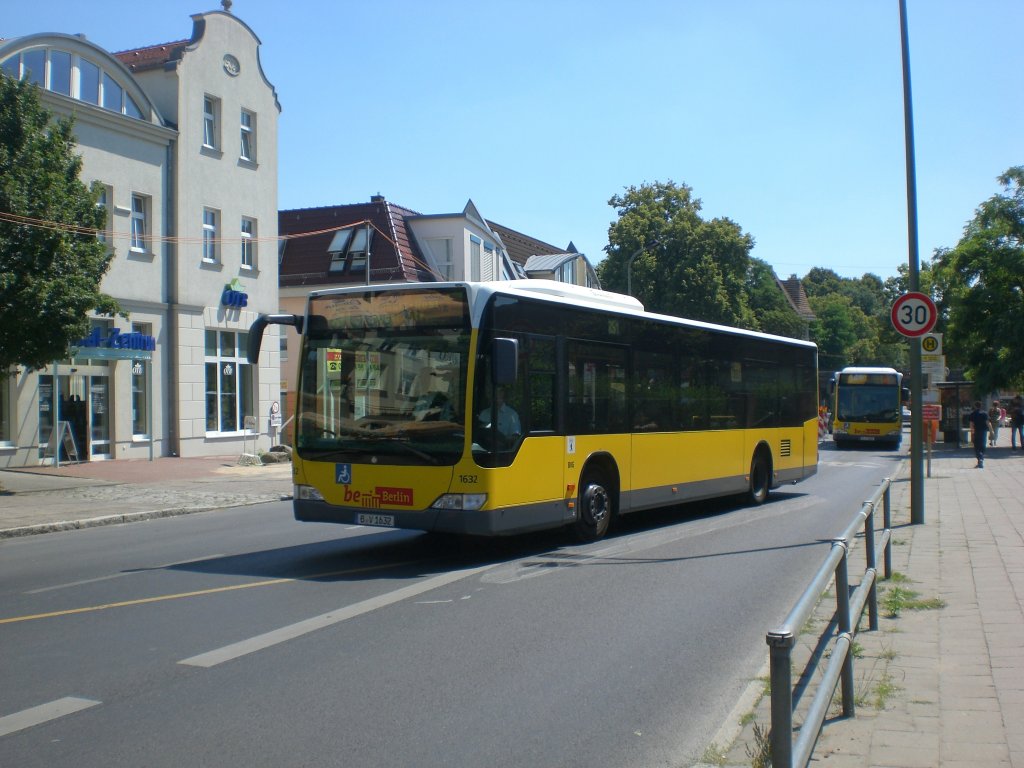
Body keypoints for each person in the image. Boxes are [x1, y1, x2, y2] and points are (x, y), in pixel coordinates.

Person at [968, 400, 990, 468]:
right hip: (983, 431)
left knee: (976, 446)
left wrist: (972, 433)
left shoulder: (972, 414)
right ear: (981, 406)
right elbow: (988, 423)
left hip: (976, 431)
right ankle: (981, 458)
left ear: (975, 406)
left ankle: (979, 458)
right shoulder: (984, 413)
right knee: (982, 445)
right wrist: (992, 431)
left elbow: (971, 424)